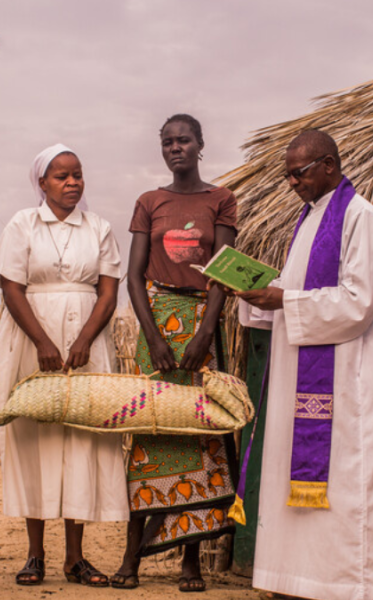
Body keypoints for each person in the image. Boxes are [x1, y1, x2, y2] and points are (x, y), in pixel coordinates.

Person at [235, 129, 373, 600]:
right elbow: (297, 292)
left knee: (350, 487)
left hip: (350, 381)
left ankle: (354, 585)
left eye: (299, 173)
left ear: (329, 164)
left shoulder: (359, 217)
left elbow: (359, 301)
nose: (291, 183)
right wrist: (260, 296)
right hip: (304, 378)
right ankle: (303, 582)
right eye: (288, 174)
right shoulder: (307, 221)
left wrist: (283, 298)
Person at [112, 114, 238, 593]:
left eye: (184, 140)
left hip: (203, 323)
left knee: (199, 437)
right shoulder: (149, 202)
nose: (175, 148)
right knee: (152, 434)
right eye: (168, 142)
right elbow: (134, 276)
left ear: (201, 144)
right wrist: (154, 337)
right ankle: (131, 558)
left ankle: (191, 563)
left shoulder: (220, 200)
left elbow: (223, 273)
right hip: (157, 326)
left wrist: (207, 330)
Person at [0, 144, 128, 588]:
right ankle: (35, 555)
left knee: (81, 442)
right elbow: (11, 287)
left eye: (77, 175)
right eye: (61, 176)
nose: (72, 183)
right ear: (42, 183)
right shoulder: (23, 223)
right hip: (33, 338)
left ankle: (75, 557)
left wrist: (86, 339)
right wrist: (43, 341)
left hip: (88, 342)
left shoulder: (100, 228)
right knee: (35, 437)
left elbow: (107, 292)